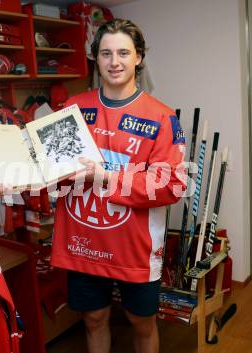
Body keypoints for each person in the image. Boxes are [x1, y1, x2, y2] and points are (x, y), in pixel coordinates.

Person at [49, 19, 186, 353]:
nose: (115, 62)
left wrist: (107, 176)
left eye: (124, 52)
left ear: (138, 57)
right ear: (96, 58)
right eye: (106, 53)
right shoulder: (74, 109)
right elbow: (49, 167)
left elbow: (171, 185)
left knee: (141, 322)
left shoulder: (161, 117)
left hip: (134, 248)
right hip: (84, 242)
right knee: (93, 318)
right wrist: (4, 180)